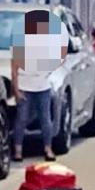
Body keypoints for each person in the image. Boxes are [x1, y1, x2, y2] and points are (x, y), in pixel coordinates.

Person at [11, 9, 64, 161]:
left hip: (43, 87)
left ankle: (48, 148)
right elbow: (14, 70)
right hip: (24, 86)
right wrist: (16, 91)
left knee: (45, 119)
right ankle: (18, 150)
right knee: (21, 119)